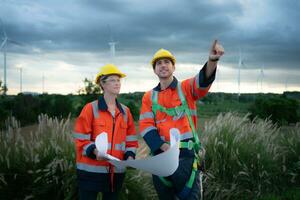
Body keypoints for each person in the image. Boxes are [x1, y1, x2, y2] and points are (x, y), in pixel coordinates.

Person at [139, 40, 224, 200]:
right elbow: (145, 126)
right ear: (154, 70)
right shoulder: (149, 97)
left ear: (173, 67)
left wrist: (212, 61)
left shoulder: (186, 88)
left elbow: (203, 80)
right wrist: (162, 147)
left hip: (186, 158)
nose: (163, 65)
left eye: (166, 62)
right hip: (161, 160)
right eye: (159, 63)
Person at [73, 64, 138, 200]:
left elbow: (131, 140)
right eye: (113, 80)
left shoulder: (125, 112)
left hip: (116, 174)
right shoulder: (90, 109)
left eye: (119, 80)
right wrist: (95, 152)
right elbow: (81, 139)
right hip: (90, 173)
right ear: (102, 84)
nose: (117, 83)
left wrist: (130, 156)